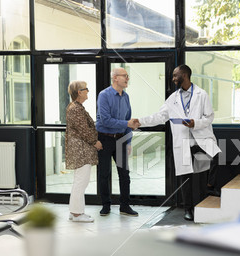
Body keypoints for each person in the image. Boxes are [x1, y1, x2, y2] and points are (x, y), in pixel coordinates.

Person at [138, 64, 221, 221]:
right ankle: (188, 209)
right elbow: (159, 117)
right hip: (183, 144)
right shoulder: (173, 98)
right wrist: (140, 122)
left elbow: (209, 117)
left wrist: (194, 123)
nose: (173, 78)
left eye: (175, 75)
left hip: (199, 141)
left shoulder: (201, 95)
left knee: (203, 173)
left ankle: (203, 203)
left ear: (185, 75)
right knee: (186, 179)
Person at [96, 67, 140, 217]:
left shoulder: (126, 97)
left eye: (128, 76)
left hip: (121, 138)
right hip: (104, 138)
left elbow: (128, 118)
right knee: (104, 173)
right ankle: (105, 205)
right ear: (115, 78)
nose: (127, 79)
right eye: (125, 76)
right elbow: (105, 120)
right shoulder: (104, 95)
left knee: (124, 174)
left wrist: (128, 141)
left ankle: (125, 206)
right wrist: (127, 124)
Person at [65, 81, 103, 222]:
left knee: (79, 181)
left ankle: (74, 211)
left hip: (80, 148)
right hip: (80, 150)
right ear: (79, 92)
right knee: (81, 181)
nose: (88, 91)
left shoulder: (77, 107)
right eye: (86, 89)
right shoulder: (75, 108)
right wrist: (95, 142)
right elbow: (84, 130)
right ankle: (76, 214)